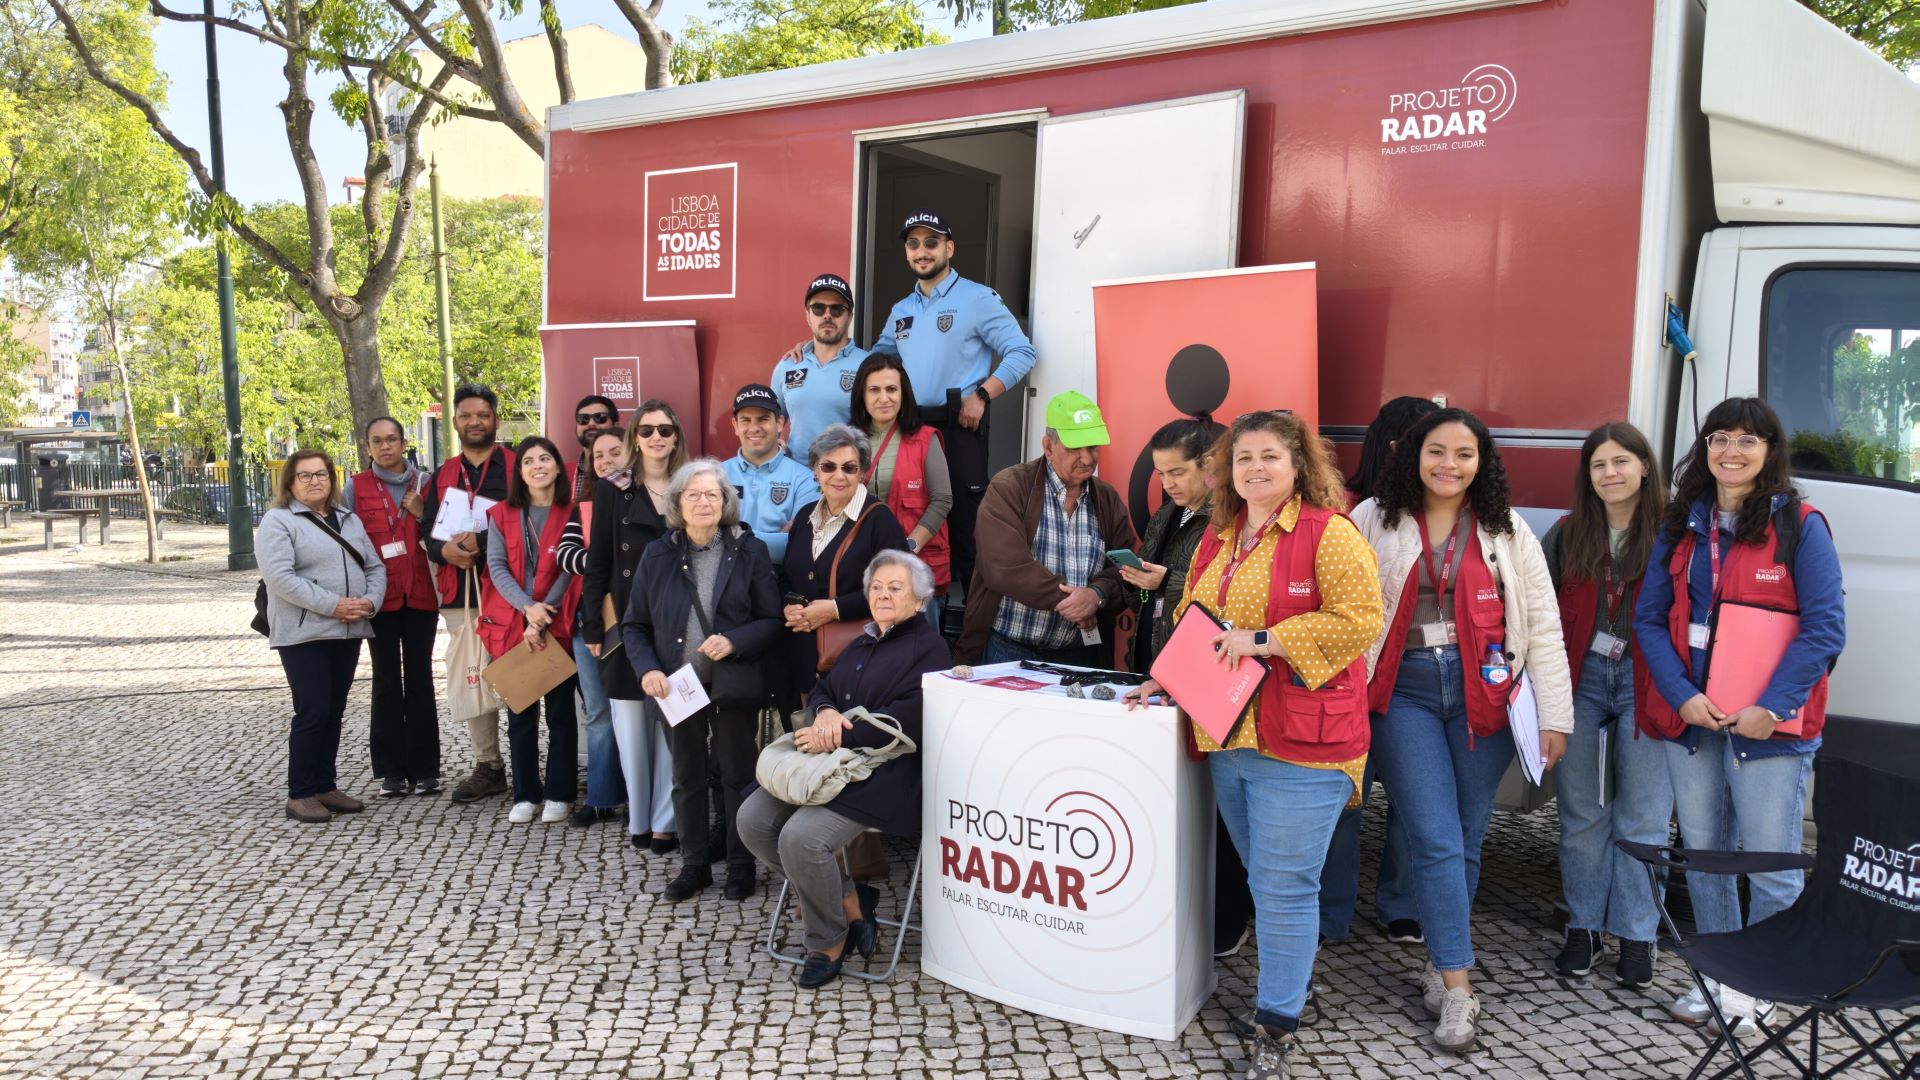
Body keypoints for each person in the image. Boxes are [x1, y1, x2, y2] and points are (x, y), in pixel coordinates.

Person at [1124, 411, 1383, 1079]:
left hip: (1303, 742)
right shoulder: (1221, 536)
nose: (1255, 468)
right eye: (1243, 458)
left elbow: (1361, 621)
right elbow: (1195, 622)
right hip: (1229, 735)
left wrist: (1264, 640)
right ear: (1227, 471)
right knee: (1267, 881)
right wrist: (1167, 680)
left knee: (1284, 884)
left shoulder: (1329, 532)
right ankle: (1292, 988)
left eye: (1270, 455)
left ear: (1298, 465)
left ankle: (1275, 1023)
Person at [1352, 407, 1574, 1053]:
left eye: (1464, 454)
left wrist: (1555, 716)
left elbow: (1543, 624)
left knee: (1468, 835)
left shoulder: (1508, 528)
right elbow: (1345, 605)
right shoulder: (1374, 518)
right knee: (1434, 833)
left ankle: (1438, 958)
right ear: (1414, 455)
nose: (1450, 464)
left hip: (1488, 694)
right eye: (1437, 451)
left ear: (1482, 463)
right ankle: (1457, 986)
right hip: (1405, 692)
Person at [1632, 396, 1844, 1035]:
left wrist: (1772, 707)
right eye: (1720, 438)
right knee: (1705, 859)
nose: (1732, 451)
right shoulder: (1681, 524)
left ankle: (1763, 983)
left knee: (1771, 863)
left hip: (1767, 728)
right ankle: (1719, 977)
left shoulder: (1801, 525)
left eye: (1748, 440)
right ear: (1705, 448)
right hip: (1695, 719)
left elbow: (1825, 629)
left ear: (1770, 451)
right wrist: (1680, 694)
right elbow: (1649, 620)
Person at [738, 550, 951, 989]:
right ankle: (848, 900)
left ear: (919, 598)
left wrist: (837, 734)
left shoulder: (930, 649)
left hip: (886, 773)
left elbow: (909, 719)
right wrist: (825, 714)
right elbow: (824, 690)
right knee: (753, 820)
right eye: (877, 587)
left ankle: (828, 939)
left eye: (896, 588)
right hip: (830, 762)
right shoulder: (862, 639)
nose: (883, 595)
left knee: (801, 839)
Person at [1539, 421, 1673, 988]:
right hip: (1582, 683)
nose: (1610, 473)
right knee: (1583, 814)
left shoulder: (1674, 534)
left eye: (1621, 461)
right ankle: (1584, 928)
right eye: (1599, 464)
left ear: (1644, 467)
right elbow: (1538, 613)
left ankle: (1638, 936)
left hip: (1649, 683)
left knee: (1644, 816)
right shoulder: (1568, 534)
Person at [1118, 415, 1253, 958]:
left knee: (1216, 809)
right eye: (1160, 473)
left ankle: (1228, 919)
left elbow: (1225, 599)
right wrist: (1139, 585)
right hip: (1158, 669)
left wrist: (1165, 584)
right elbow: (1148, 598)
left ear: (1210, 466)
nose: (1168, 483)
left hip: (1203, 675)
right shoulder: (1166, 514)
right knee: (1169, 803)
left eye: (1177, 472)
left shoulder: (1231, 518)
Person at [624, 459, 783, 903]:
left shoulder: (749, 550)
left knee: (737, 775)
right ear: (677, 503)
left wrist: (734, 641)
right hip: (677, 686)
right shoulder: (658, 554)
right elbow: (634, 625)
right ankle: (694, 865)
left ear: (726, 501)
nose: (703, 502)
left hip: (732, 683)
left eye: (712, 494)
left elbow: (771, 621)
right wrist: (648, 669)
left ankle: (741, 864)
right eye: (693, 494)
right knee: (686, 776)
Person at [870, 208, 1037, 596]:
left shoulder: (978, 298)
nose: (922, 251)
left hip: (959, 428)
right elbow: (876, 363)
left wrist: (982, 395)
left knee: (967, 532)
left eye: (931, 242)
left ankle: (977, 626)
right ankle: (921, 616)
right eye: (914, 244)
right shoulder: (902, 310)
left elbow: (1022, 352)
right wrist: (820, 349)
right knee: (913, 521)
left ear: (949, 248)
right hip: (911, 430)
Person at [1322, 395, 1437, 945]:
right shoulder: (1355, 511)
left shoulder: (1447, 513)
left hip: (1417, 673)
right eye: (1425, 444)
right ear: (1393, 448)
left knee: (1414, 801)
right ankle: (1329, 912)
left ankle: (1402, 905)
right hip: (1356, 674)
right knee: (1345, 797)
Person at [572, 402, 687, 852]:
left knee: (673, 723)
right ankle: (639, 818)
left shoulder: (690, 485)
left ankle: (665, 821)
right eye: (647, 430)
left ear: (676, 437)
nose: (656, 437)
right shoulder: (611, 488)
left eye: (665, 429)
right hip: (626, 622)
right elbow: (598, 561)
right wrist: (592, 628)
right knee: (631, 724)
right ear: (634, 438)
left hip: (679, 622)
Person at [956, 391, 1134, 667]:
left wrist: (1097, 594)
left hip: (1079, 653)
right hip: (1010, 648)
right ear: (1048, 447)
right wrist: (1075, 602)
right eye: (1075, 448)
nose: (1087, 458)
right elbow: (1003, 565)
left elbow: (1126, 570)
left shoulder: (1107, 499)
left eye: (1093, 447)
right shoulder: (1010, 487)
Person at [256, 450, 387, 823]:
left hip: (347, 629)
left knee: (333, 709)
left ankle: (324, 784)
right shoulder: (278, 521)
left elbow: (374, 567)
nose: (315, 481)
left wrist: (370, 601)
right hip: (304, 632)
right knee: (313, 709)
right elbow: (280, 578)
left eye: (321, 474)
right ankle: (300, 792)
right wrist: (334, 605)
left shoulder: (348, 519)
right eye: (305, 475)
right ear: (291, 482)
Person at [421, 384, 514, 805]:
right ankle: (488, 765)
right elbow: (426, 531)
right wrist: (445, 552)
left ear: (495, 419)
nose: (474, 422)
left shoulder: (516, 466)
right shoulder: (441, 475)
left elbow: (531, 520)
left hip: (510, 589)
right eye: (466, 416)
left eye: (482, 415)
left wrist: (483, 539)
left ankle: (531, 759)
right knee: (474, 673)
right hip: (462, 593)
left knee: (521, 672)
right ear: (455, 422)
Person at [481, 436, 581, 825]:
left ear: (557, 466)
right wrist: (527, 608)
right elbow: (497, 567)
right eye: (528, 461)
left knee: (561, 714)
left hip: (558, 621)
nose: (537, 466)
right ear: (519, 472)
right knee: (520, 714)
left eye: (545, 458)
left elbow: (571, 568)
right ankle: (525, 793)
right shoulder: (501, 514)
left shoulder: (574, 511)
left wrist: (542, 615)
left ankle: (559, 792)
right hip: (512, 623)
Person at [346, 417, 441, 797]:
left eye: (391, 440)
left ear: (404, 443)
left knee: (420, 678)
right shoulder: (354, 488)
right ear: (367, 446)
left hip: (420, 595)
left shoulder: (427, 484)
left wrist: (422, 513)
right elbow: (347, 543)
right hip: (378, 598)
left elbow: (445, 535)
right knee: (385, 680)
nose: (385, 447)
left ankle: (426, 769)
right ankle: (390, 772)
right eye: (377, 441)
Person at [783, 425, 910, 702]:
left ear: (862, 473)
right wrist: (788, 606)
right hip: (805, 660)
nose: (839, 476)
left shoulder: (880, 520)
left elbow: (899, 590)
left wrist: (835, 609)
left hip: (859, 662)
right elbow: (788, 577)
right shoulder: (804, 516)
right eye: (828, 466)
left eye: (849, 468)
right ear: (815, 471)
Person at [553, 427, 629, 830]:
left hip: (639, 622)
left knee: (642, 713)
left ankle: (641, 796)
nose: (605, 460)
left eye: (614, 452)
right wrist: (604, 559)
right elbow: (565, 555)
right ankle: (601, 797)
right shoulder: (584, 506)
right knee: (598, 711)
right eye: (598, 455)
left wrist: (602, 559)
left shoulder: (649, 500)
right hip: (593, 622)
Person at [849, 353, 953, 629]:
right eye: (874, 390)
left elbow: (942, 500)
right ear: (861, 395)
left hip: (916, 566)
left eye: (891, 389)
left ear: (903, 394)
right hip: (863, 567)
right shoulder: (848, 440)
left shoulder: (925, 439)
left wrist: (907, 549)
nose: (884, 398)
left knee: (919, 648)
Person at [772, 274, 868, 466]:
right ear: (808, 315)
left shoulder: (867, 364)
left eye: (837, 309)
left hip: (845, 474)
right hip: (796, 476)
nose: (827, 315)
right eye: (818, 308)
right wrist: (774, 443)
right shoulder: (788, 365)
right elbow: (771, 420)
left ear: (850, 317)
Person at [722, 383, 819, 568]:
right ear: (735, 425)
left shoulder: (806, 480)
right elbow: (704, 538)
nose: (754, 428)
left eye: (763, 419)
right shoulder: (715, 476)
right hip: (724, 580)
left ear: (780, 423)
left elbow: (801, 546)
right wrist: (775, 540)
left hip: (778, 580)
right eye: (746, 420)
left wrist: (731, 535)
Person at [569, 395, 619, 499]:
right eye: (583, 419)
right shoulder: (562, 474)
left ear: (615, 425)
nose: (591, 423)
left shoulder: (634, 472)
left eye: (600, 417)